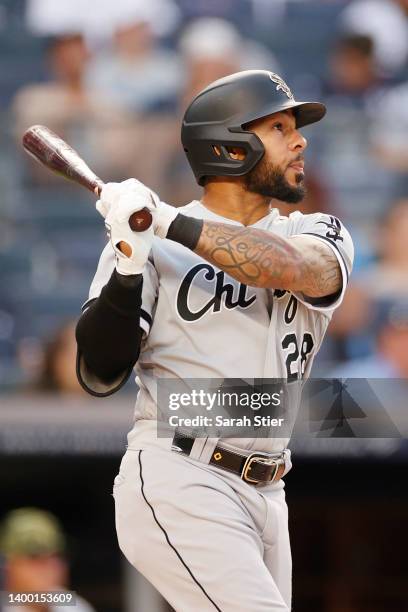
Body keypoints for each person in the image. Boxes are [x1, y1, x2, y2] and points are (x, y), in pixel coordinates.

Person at [75, 70, 354, 611]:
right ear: (230, 146)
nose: (300, 141)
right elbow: (100, 371)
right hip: (182, 473)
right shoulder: (145, 241)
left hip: (270, 491)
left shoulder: (317, 231)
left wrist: (166, 221)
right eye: (279, 128)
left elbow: (289, 268)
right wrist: (130, 265)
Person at [0, 508, 95, 612]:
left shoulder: (71, 605)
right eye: (35, 556)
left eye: (57, 556)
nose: (52, 567)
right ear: (7, 565)